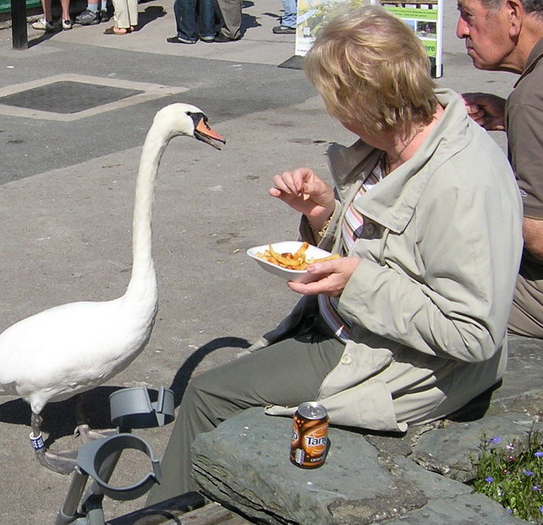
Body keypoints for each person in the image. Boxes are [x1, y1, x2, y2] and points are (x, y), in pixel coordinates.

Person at [145, 5, 523, 505]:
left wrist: (356, 283)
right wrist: (324, 214)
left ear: (368, 101)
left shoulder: (462, 180)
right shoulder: (396, 138)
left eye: (334, 99)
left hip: (395, 359)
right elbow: (379, 245)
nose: (330, 112)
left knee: (208, 394)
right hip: (347, 325)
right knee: (234, 386)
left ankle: (166, 514)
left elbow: (473, 333)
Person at [457, 0, 543, 339]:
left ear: (512, 13)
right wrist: (510, 117)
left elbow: (537, 237)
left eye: (467, 15)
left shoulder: (532, 98)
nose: (460, 30)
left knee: (430, 289)